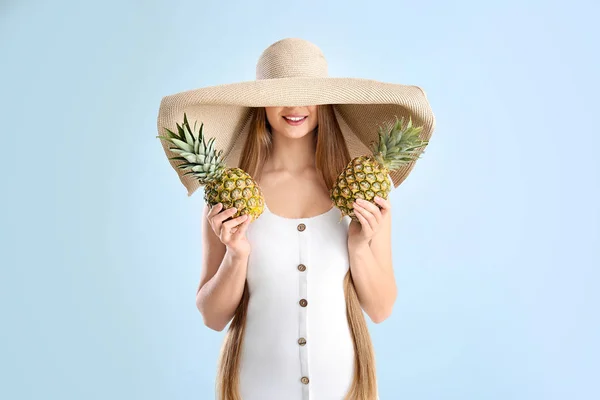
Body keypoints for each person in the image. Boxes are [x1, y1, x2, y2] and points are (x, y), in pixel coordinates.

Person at [156, 38, 435, 400]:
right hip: (254, 385)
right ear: (260, 104)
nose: (295, 105)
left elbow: (381, 309)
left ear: (325, 101)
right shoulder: (230, 191)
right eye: (281, 93)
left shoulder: (360, 192)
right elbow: (212, 317)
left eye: (307, 93)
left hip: (342, 385)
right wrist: (236, 254)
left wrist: (360, 246)